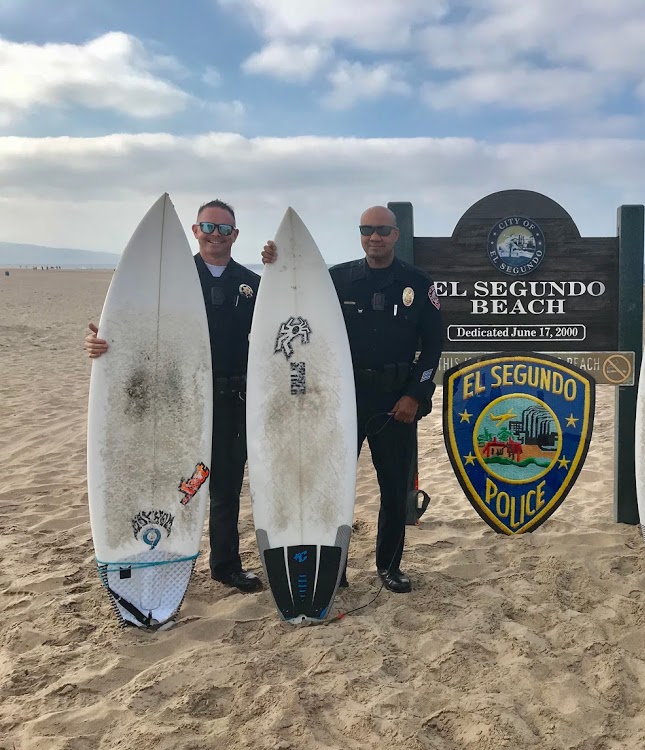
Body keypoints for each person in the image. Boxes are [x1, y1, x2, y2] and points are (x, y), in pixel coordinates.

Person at [261, 205, 442, 594]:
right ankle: (335, 565)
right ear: (360, 234)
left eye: (381, 230)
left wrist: (415, 394)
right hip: (342, 400)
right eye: (366, 230)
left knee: (394, 488)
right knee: (331, 486)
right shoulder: (336, 280)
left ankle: (389, 566)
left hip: (396, 402)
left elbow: (432, 349)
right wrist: (276, 265)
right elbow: (295, 306)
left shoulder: (418, 283)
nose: (373, 237)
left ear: (395, 235)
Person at [85, 200, 263, 593]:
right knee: (175, 480)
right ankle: (159, 554)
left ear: (235, 235)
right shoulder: (170, 282)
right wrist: (104, 344)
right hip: (180, 402)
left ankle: (225, 566)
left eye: (224, 228)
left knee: (226, 486)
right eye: (208, 227)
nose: (216, 235)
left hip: (233, 401)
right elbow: (138, 330)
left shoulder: (253, 286)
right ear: (195, 231)